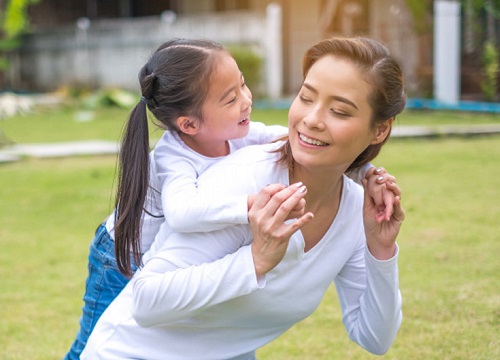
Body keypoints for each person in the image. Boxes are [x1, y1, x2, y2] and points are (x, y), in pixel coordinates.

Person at [65, 38, 393, 359]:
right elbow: (179, 218)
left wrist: (364, 176)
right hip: (122, 253)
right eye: (305, 98)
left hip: (209, 340)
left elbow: (374, 340)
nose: (310, 121)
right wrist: (251, 233)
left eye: (339, 111)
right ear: (189, 123)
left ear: (380, 129)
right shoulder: (186, 162)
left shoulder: (351, 205)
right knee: (84, 345)